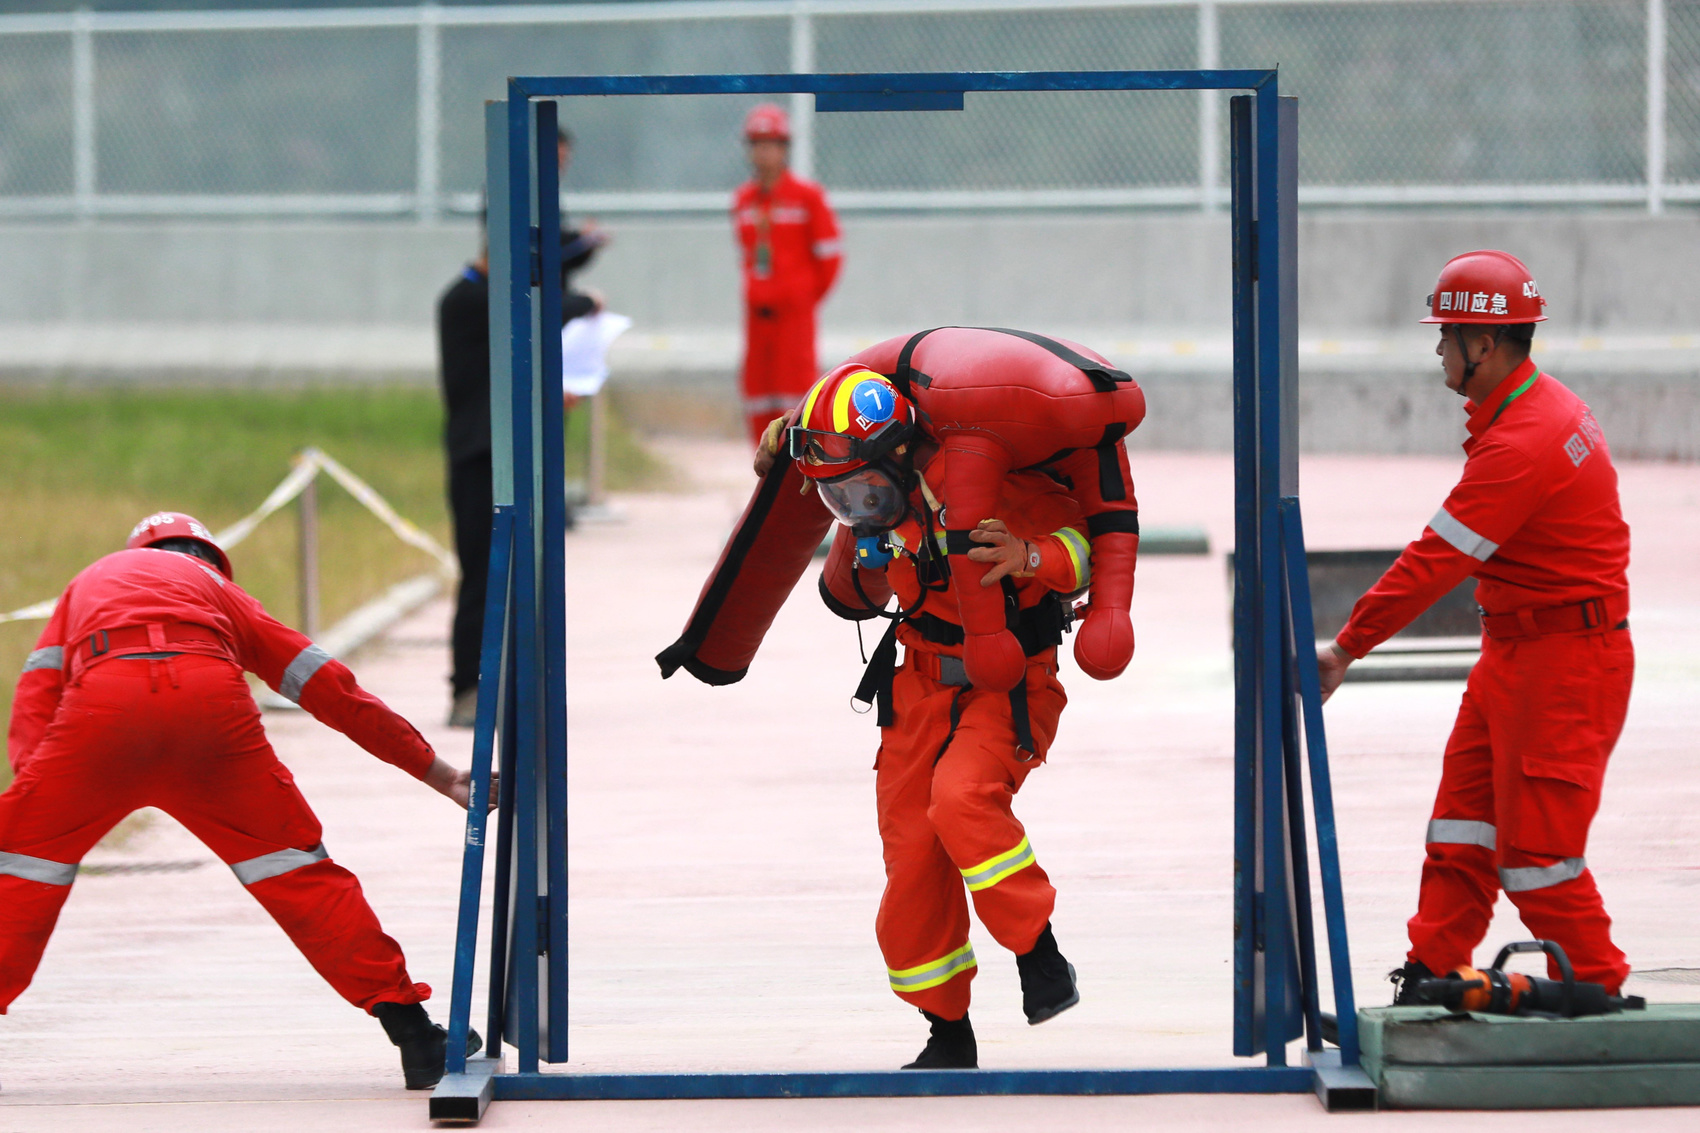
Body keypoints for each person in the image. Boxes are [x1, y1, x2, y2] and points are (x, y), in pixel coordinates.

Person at [1, 512, 482, 1089]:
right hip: (209, 706)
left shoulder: (91, 581)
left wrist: (43, 804)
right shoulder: (218, 590)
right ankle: (415, 1035)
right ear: (209, 559)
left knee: (20, 872)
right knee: (300, 874)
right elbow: (333, 689)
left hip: (102, 709)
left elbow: (35, 698)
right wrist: (438, 773)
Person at [1316, 250, 1634, 1000]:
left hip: (1564, 662)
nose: (1438, 350)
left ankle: (1595, 983)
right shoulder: (1537, 409)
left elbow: (1436, 560)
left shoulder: (1524, 441)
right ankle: (1433, 967)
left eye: (1447, 336)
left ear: (1483, 345)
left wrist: (1346, 649)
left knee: (1538, 853)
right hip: (1522, 650)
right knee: (1464, 824)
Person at [439, 126, 606, 728]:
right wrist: (582, 303)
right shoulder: (463, 301)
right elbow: (534, 308)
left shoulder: (494, 300)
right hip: (479, 456)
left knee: (527, 579)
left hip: (516, 449)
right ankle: (466, 688)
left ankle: (516, 685)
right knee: (483, 574)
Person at [732, 103, 842, 447]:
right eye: (757, 144)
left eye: (772, 144)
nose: (764, 152)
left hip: (794, 319)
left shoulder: (808, 197)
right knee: (757, 395)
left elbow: (830, 258)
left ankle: (795, 482)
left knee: (796, 397)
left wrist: (801, 296)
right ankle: (762, 480)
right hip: (757, 319)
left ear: (785, 149)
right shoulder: (743, 201)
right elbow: (746, 256)